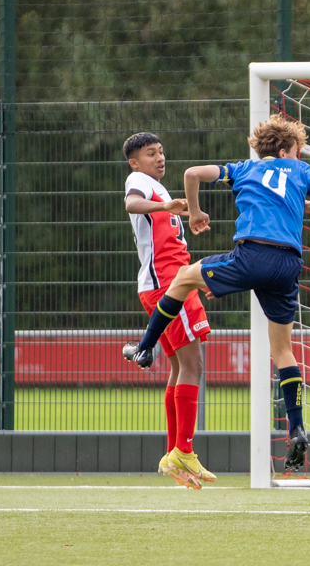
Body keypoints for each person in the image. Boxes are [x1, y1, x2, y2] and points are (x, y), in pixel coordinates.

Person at [122, 114, 310, 481]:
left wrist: (196, 211)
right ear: (287, 148)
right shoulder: (301, 171)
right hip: (289, 264)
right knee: (283, 350)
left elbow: (194, 173)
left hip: (251, 255)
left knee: (183, 280)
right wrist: (307, 207)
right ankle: (296, 428)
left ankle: (145, 346)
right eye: (296, 149)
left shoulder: (244, 168)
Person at [122, 132, 212, 489]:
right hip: (168, 285)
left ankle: (175, 455)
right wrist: (164, 207)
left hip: (168, 282)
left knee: (179, 367)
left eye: (161, 152)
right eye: (150, 153)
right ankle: (183, 452)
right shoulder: (139, 182)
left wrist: (186, 215)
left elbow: (166, 232)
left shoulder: (159, 189)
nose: (159, 158)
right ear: (134, 162)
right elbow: (131, 204)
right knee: (193, 365)